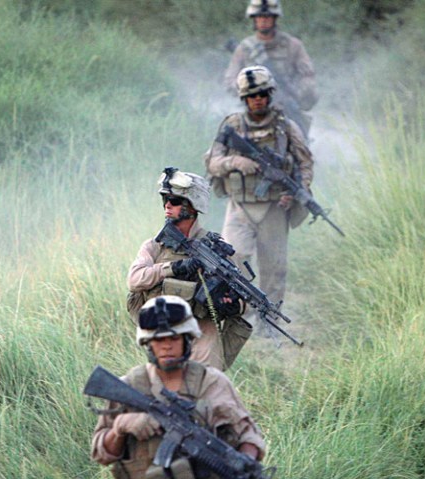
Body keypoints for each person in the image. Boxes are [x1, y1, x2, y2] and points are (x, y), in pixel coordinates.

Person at [91, 295, 266, 479]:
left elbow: (250, 435)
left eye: (174, 338)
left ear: (188, 339)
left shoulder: (213, 383)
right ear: (147, 343)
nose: (166, 345)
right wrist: (119, 428)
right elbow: (100, 453)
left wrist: (244, 459)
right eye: (159, 339)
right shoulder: (129, 387)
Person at [205, 66, 314, 330]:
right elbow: (212, 161)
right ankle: (235, 316)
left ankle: (270, 322)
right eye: (252, 95)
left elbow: (305, 164)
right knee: (233, 261)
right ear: (244, 98)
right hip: (240, 206)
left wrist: (295, 191)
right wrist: (236, 161)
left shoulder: (286, 128)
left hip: (274, 209)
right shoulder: (232, 125)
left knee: (274, 269)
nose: (258, 99)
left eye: (263, 94)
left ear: (270, 95)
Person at [127, 168, 251, 371]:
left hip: (202, 330)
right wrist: (174, 267)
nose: (167, 205)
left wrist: (232, 305)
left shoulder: (218, 251)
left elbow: (245, 298)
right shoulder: (155, 246)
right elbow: (134, 280)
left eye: (174, 201)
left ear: (193, 206)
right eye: (165, 199)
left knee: (204, 386)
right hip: (163, 331)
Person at [224, 0, 318, 137]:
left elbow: (308, 75)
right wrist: (246, 89)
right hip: (254, 108)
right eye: (259, 17)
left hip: (287, 105)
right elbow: (230, 79)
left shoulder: (293, 45)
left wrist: (301, 92)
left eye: (267, 17)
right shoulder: (244, 48)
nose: (263, 21)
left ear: (275, 19)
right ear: (254, 20)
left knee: (300, 140)